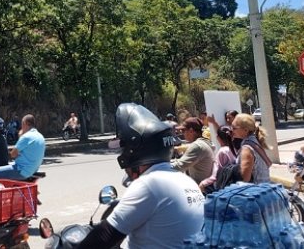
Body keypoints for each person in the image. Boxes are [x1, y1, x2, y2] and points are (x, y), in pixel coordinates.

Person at [79, 103, 204, 248]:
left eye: (124, 149)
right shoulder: (186, 181)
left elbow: (104, 236)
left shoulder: (150, 184)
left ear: (135, 151)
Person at [0, 114, 45, 180]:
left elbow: (13, 154)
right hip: (33, 168)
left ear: (25, 123)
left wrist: (20, 136)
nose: (21, 127)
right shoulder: (40, 136)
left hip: (22, 170)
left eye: (22, 124)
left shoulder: (26, 136)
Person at [170, 117, 215, 184]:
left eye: (183, 130)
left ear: (191, 131)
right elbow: (181, 161)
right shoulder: (204, 142)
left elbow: (179, 166)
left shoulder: (197, 146)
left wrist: (157, 166)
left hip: (199, 189)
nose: (182, 134)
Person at [231, 113, 271, 183]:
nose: (231, 130)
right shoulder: (254, 141)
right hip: (264, 188)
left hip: (256, 191)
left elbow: (244, 179)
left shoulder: (247, 148)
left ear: (246, 130)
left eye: (234, 128)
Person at [199, 126, 236, 193]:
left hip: (223, 187)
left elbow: (215, 176)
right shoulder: (235, 149)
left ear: (218, 138)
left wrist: (203, 184)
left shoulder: (222, 151)